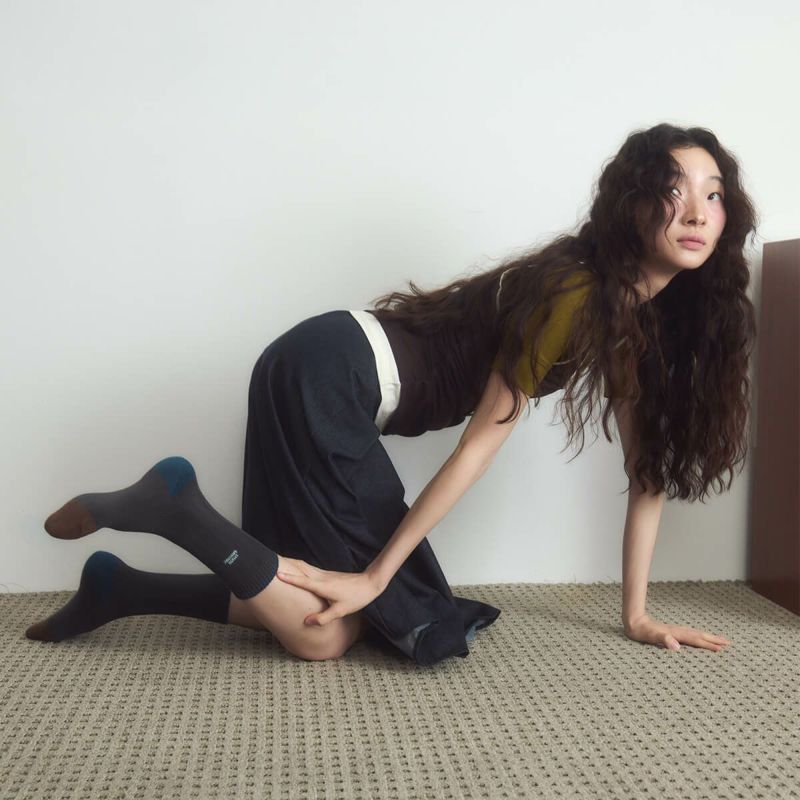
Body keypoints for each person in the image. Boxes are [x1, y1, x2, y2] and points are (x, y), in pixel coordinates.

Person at [27, 122, 755, 666]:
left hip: (321, 366)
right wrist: (378, 576)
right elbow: (479, 446)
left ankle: (124, 588)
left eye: (713, 193)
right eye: (673, 190)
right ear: (631, 204)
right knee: (366, 619)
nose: (696, 211)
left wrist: (637, 616)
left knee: (328, 620)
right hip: (331, 372)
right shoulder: (573, 292)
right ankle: (175, 508)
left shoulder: (628, 318)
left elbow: (645, 474)